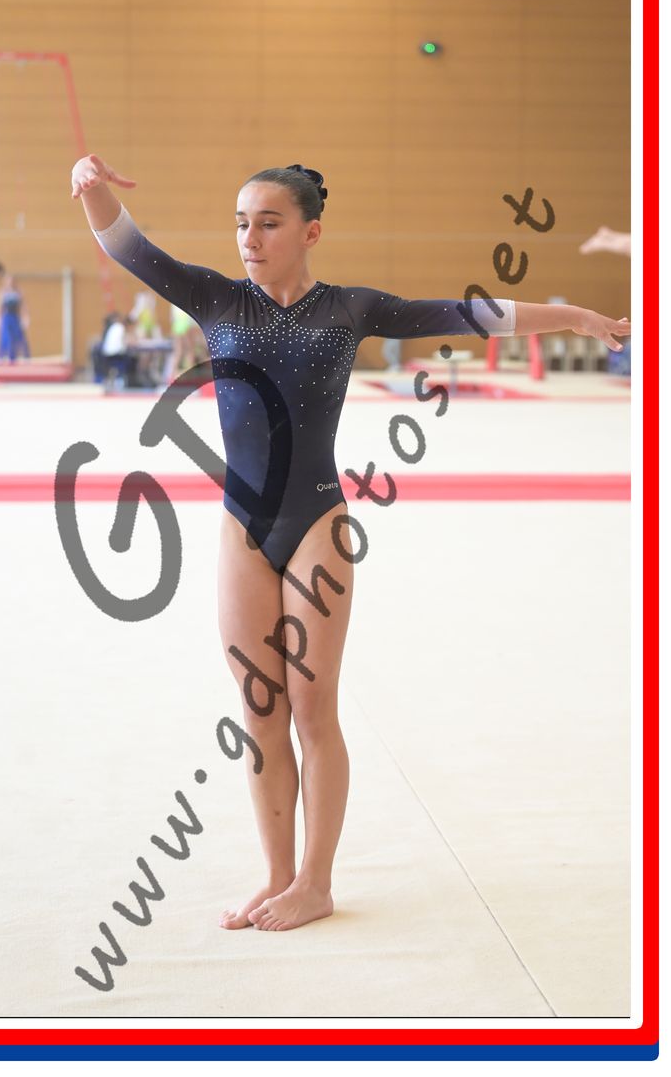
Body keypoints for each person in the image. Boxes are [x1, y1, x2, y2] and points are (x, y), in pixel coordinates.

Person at [71, 153, 632, 933]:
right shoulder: (216, 299)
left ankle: (316, 881)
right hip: (242, 524)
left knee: (311, 706)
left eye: (269, 223)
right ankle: (276, 874)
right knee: (259, 707)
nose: (250, 239)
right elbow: (128, 247)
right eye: (241, 223)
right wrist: (90, 184)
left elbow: (466, 313)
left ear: (311, 232)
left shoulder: (351, 309)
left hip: (316, 522)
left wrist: (572, 317)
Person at [0, 271, 31, 362]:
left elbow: (23, 306)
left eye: (11, 280)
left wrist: (26, 317)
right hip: (6, 317)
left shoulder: (18, 292)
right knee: (5, 338)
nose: (9, 282)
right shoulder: (2, 292)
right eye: (8, 280)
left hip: (15, 317)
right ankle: (1, 357)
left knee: (18, 337)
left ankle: (16, 358)